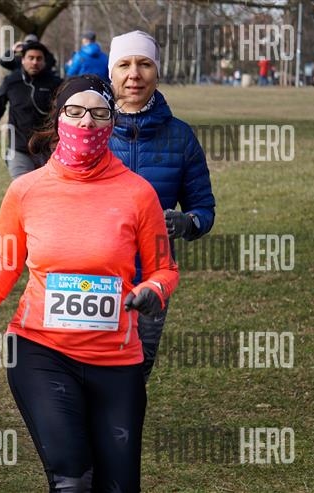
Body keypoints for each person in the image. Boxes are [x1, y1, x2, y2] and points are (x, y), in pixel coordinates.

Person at [0, 75, 179, 492]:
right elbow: (6, 257)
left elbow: (164, 268)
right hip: (40, 350)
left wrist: (153, 291)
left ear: (112, 123)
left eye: (99, 114)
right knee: (72, 480)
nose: (87, 123)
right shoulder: (25, 190)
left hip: (116, 360)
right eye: (75, 111)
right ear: (58, 118)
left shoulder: (139, 194)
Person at [107, 30, 215, 381]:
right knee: (88, 372)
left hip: (152, 279)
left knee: (135, 374)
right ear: (111, 73)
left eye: (144, 64)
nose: (134, 74)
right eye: (124, 64)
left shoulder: (181, 137)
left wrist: (187, 222)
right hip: (93, 280)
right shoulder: (90, 129)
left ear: (157, 71)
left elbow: (204, 208)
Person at [0, 41, 62, 179]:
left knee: (46, 188)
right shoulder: (11, 81)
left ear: (45, 61)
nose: (34, 62)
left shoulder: (55, 83)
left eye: (39, 58)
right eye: (30, 58)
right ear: (22, 60)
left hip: (47, 150)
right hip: (19, 149)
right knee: (23, 187)